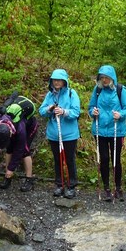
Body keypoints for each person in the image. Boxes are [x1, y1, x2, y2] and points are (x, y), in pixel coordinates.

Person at [88, 64, 126, 201]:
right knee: (104, 159)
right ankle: (107, 188)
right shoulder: (97, 90)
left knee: (116, 159)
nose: (104, 80)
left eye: (106, 77)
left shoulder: (120, 90)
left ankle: (118, 187)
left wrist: (120, 114)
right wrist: (92, 112)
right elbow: (90, 107)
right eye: (102, 77)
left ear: (112, 78)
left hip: (116, 130)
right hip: (99, 130)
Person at [39, 69, 81, 198]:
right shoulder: (50, 95)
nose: (56, 82)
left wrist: (64, 112)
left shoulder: (71, 94)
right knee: (57, 159)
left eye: (59, 80)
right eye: (54, 80)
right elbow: (41, 111)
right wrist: (49, 109)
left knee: (69, 159)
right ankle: (59, 184)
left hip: (69, 134)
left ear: (64, 81)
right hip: (54, 134)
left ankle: (71, 185)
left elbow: (76, 112)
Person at [0, 92, 39, 192]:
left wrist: (11, 168)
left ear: (10, 132)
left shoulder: (20, 130)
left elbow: (19, 150)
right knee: (9, 149)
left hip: (30, 126)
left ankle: (29, 179)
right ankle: (8, 178)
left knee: (25, 151)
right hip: (15, 125)